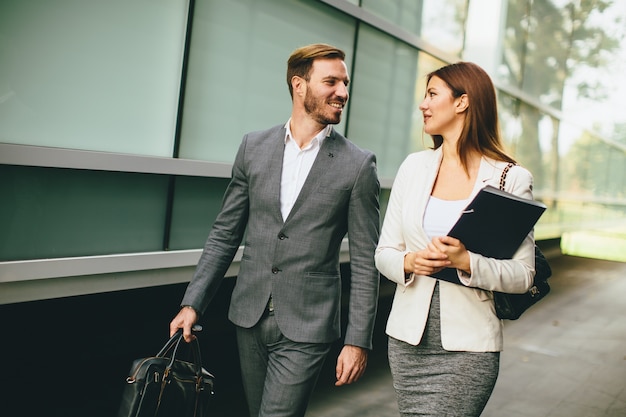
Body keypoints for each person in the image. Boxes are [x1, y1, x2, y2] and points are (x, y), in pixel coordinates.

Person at [169, 43, 380, 417]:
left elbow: (365, 262)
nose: (343, 93)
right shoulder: (254, 147)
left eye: (345, 83)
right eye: (331, 82)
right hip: (248, 315)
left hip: (308, 324)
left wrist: (357, 341)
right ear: (299, 85)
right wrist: (193, 302)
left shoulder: (358, 166)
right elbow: (225, 233)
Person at [374, 62, 536, 417]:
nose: (423, 104)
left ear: (462, 102)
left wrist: (467, 262)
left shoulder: (510, 178)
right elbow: (384, 252)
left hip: (469, 348)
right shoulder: (413, 168)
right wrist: (409, 262)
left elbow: (524, 275)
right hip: (406, 343)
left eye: (432, 94)